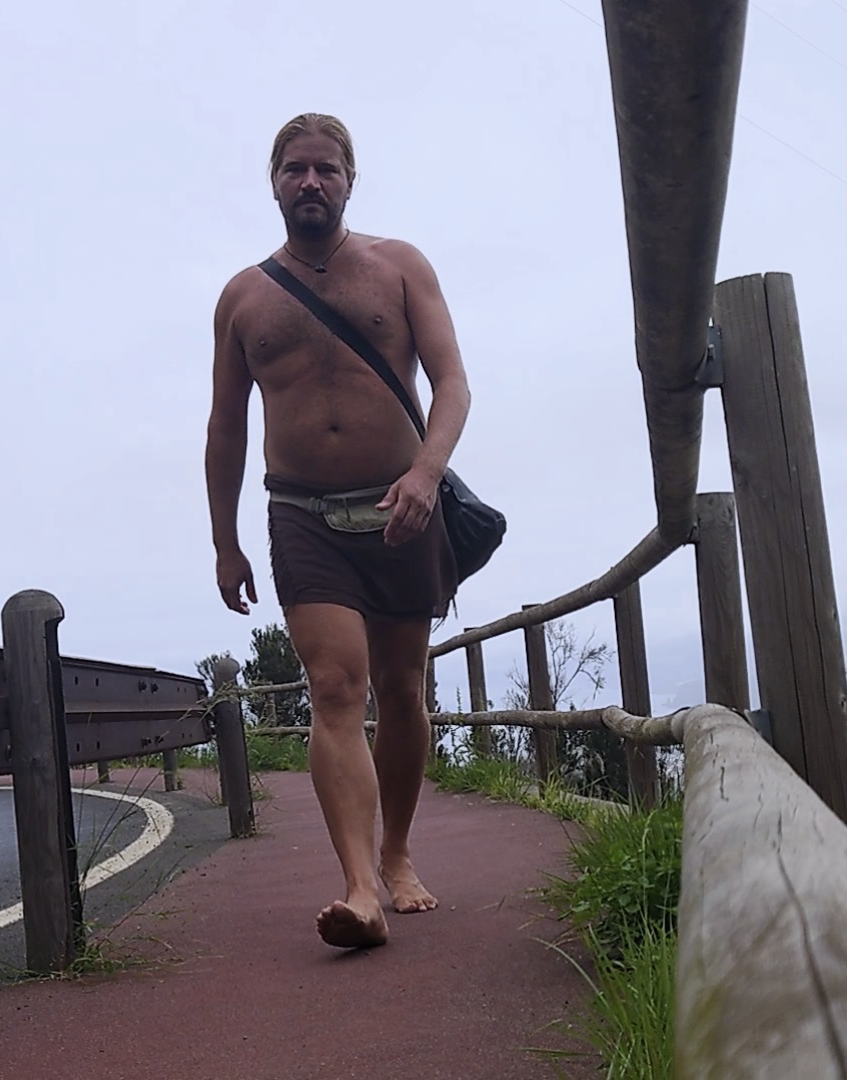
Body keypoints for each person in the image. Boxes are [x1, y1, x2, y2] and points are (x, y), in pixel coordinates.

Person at [204, 112, 473, 949]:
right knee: (334, 688)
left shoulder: (400, 267)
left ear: (351, 179)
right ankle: (359, 888)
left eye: (326, 168)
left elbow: (453, 383)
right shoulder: (243, 298)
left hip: (401, 509)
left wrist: (426, 474)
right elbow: (226, 428)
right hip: (302, 514)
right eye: (295, 169)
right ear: (274, 183)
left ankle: (396, 852)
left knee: (401, 689)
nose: (311, 182)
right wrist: (224, 540)